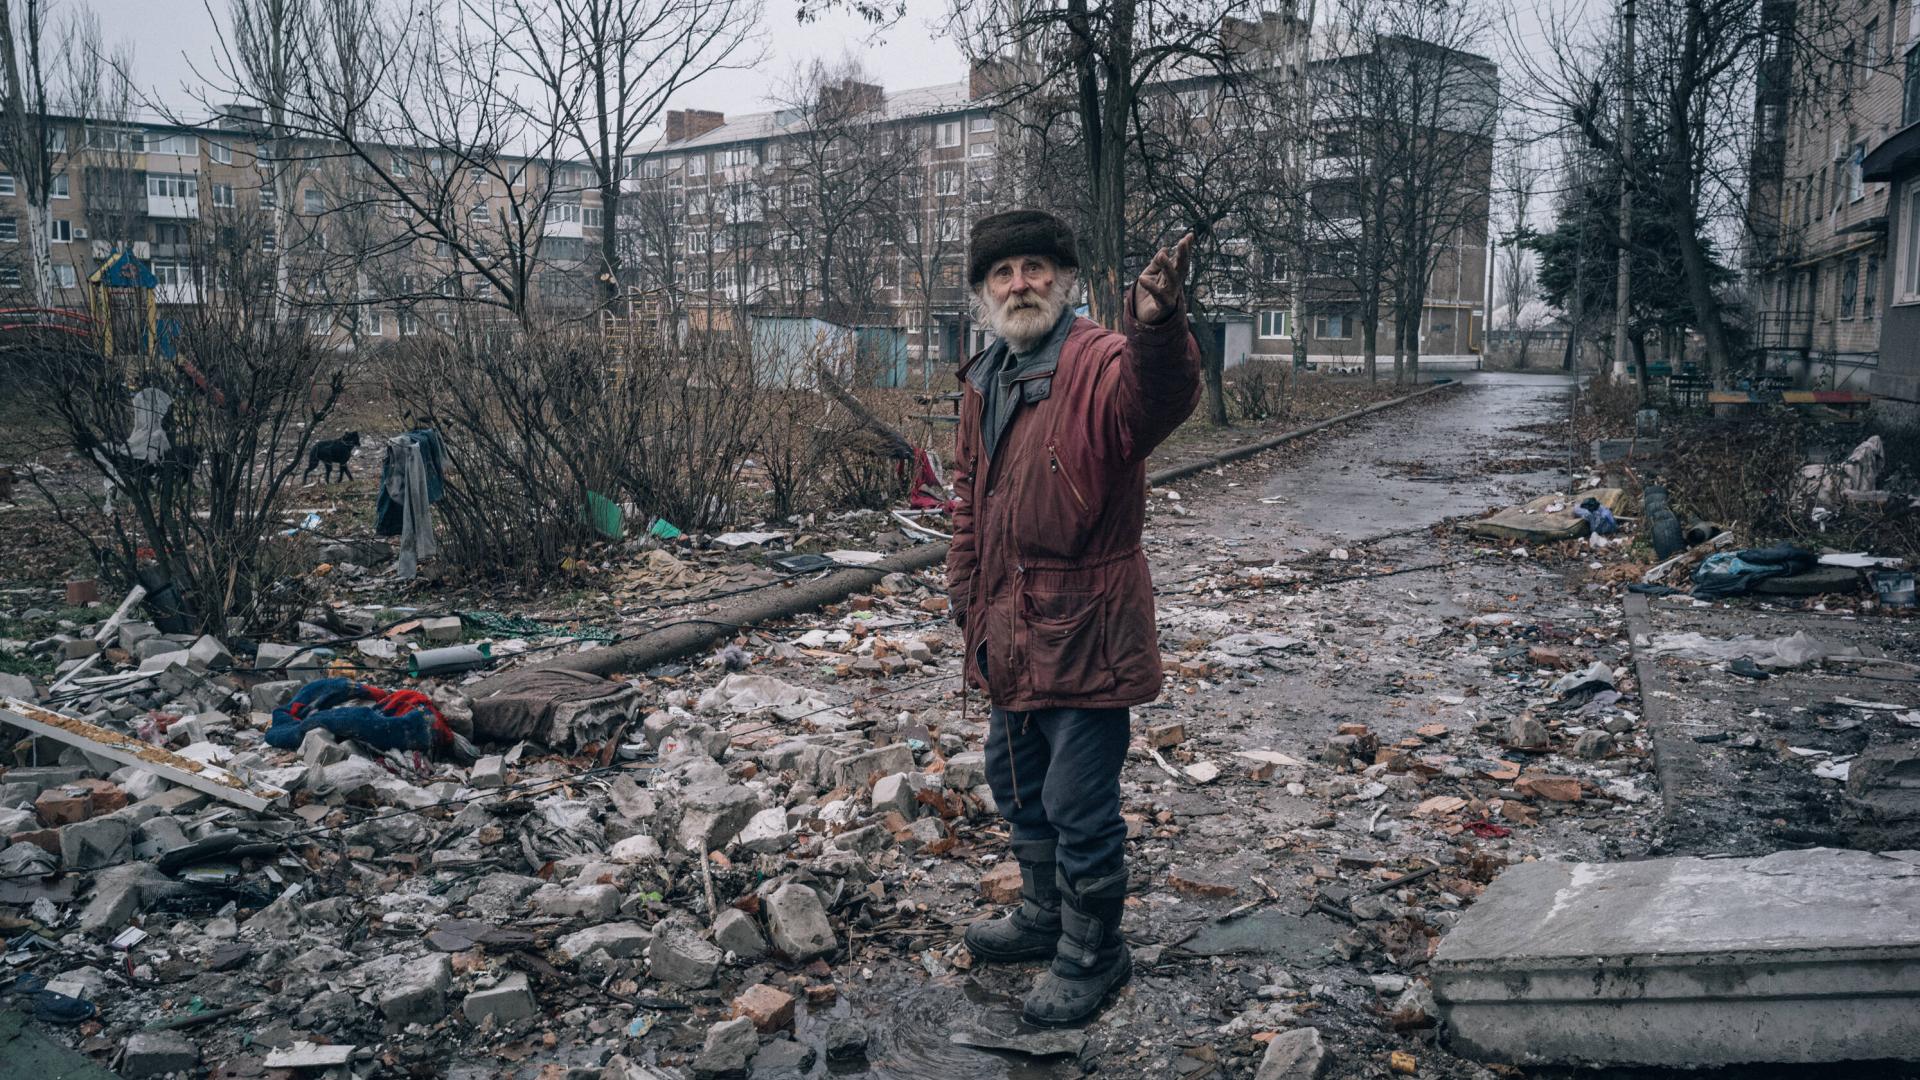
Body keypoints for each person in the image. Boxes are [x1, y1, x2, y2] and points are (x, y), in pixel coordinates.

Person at [947, 208, 1201, 1026]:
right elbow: (968, 500)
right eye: (1002, 273)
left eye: (1034, 268)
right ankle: (1043, 913)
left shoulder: (1099, 360)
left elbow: (1157, 397)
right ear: (985, 293)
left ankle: (1095, 950)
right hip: (1005, 626)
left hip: (1087, 628)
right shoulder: (986, 375)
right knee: (1015, 781)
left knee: (1077, 799)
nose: (1019, 284)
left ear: (1064, 279)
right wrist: (965, 599)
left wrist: (1157, 326)